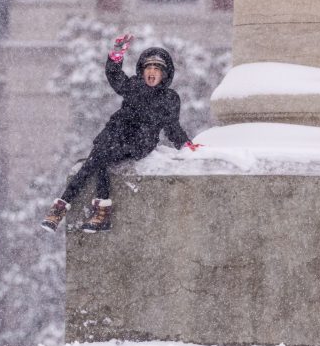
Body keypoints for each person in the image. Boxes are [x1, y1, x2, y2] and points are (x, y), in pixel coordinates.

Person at [41, 34, 202, 233]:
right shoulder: (134, 85)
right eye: (148, 68)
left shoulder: (169, 98)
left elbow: (172, 127)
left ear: (164, 74)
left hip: (140, 139)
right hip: (116, 132)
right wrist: (117, 53)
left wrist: (186, 144)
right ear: (142, 72)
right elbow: (115, 76)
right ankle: (72, 209)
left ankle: (86, 210)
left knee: (100, 158)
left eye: (156, 69)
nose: (151, 73)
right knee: (94, 160)